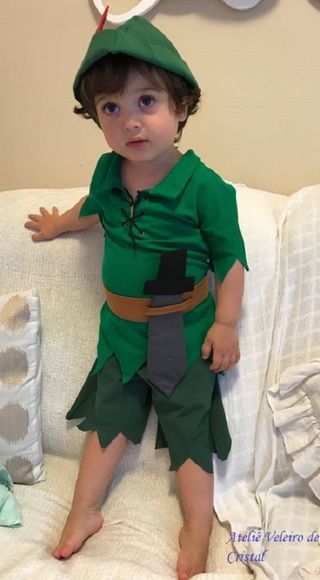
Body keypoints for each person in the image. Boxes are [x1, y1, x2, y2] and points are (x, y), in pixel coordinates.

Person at [25, 13, 248, 580]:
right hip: (119, 331)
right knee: (109, 419)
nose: (130, 122)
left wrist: (225, 324)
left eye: (146, 101)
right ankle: (84, 511)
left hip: (179, 328)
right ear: (97, 118)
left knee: (187, 427)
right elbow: (91, 208)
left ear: (180, 107)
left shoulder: (205, 187)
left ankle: (197, 525)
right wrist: (59, 226)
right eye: (111, 109)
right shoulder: (109, 171)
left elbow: (232, 260)